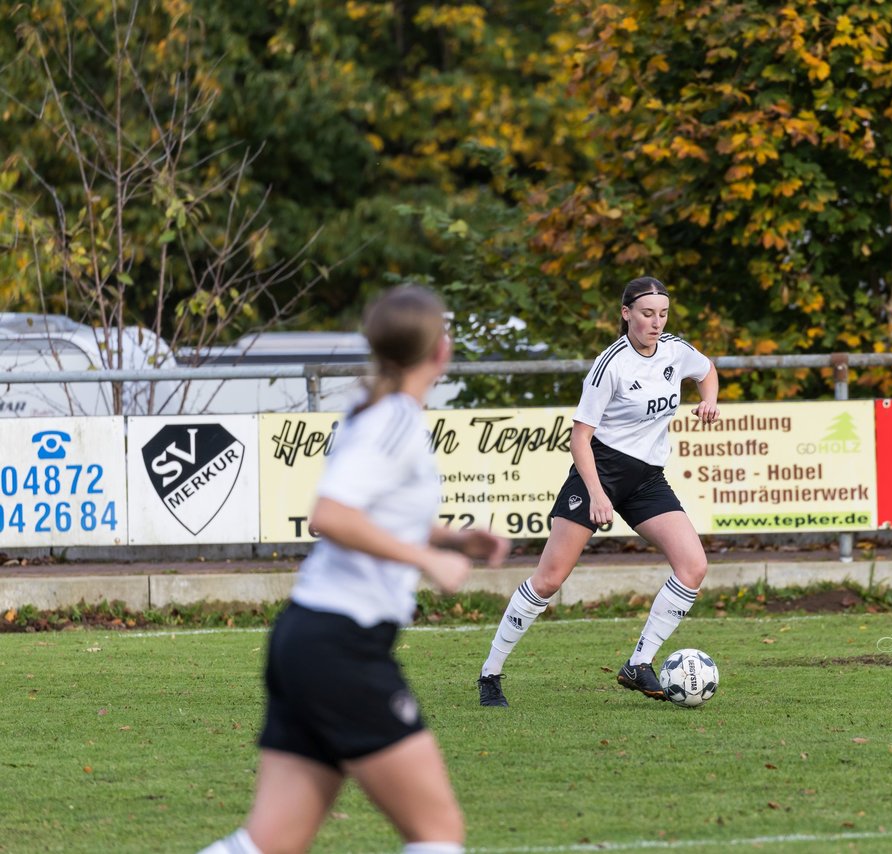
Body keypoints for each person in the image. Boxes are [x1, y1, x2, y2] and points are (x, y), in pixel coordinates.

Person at [201, 286, 509, 854]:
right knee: (438, 833)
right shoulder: (392, 417)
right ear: (440, 352)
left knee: (268, 842)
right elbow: (331, 516)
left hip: (308, 638)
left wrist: (452, 538)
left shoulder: (378, 411)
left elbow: (369, 513)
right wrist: (427, 559)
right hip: (340, 646)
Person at [477, 276, 719, 707]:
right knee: (549, 579)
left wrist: (709, 399)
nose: (656, 322)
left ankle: (638, 663)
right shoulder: (611, 364)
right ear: (626, 314)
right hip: (600, 474)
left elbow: (707, 371)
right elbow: (579, 437)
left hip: (646, 479)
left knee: (693, 566)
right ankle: (490, 674)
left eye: (662, 314)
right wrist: (597, 493)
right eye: (647, 314)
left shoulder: (675, 350)